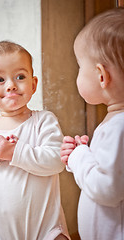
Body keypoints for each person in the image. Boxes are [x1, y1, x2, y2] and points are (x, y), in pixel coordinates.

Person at [0, 41, 70, 240]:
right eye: (0, 79)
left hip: (47, 229)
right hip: (5, 234)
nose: (11, 85)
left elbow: (57, 160)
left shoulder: (43, 121)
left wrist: (15, 152)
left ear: (33, 84)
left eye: (20, 77)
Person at [61, 7, 124, 240]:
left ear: (101, 76)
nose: (78, 73)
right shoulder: (116, 124)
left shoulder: (119, 128)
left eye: (80, 66)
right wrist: (82, 154)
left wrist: (79, 158)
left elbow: (107, 187)